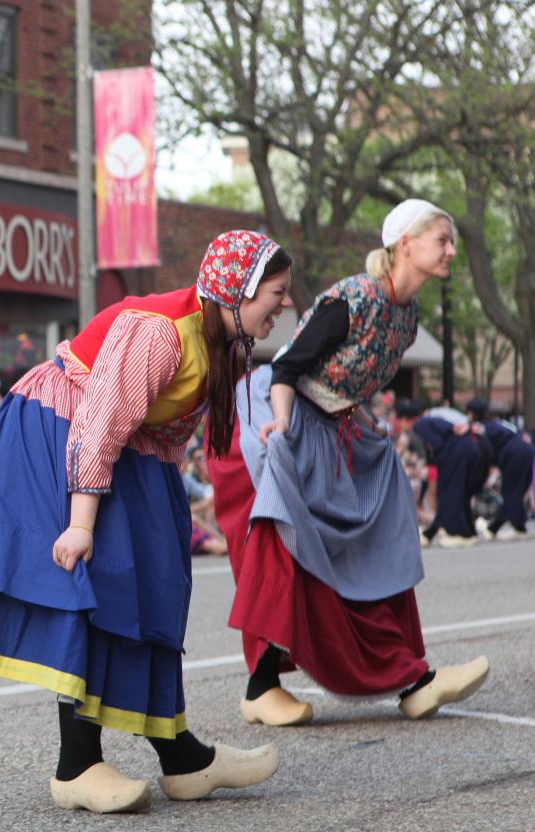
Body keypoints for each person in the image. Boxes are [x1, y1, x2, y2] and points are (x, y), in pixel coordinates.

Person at [0, 230, 290, 814]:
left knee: (161, 579)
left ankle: (179, 755)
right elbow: (100, 420)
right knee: (97, 578)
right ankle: (76, 764)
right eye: (277, 293)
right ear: (237, 291)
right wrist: (81, 524)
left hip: (137, 448)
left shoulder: (223, 341)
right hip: (61, 426)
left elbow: (162, 429)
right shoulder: (162, 333)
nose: (284, 304)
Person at [208, 199, 489, 729]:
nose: (452, 250)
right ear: (406, 244)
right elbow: (288, 365)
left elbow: (346, 385)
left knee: (372, 534)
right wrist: (283, 429)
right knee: (289, 547)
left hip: (330, 426)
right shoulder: (352, 299)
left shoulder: (407, 314)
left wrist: (362, 424)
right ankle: (261, 685)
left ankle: (411, 675)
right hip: (271, 418)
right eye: (442, 240)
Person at [410, 408, 490, 548]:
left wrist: (441, 449)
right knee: (459, 494)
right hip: (470, 450)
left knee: (450, 493)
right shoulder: (446, 420)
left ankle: (457, 532)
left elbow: (419, 428)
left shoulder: (426, 421)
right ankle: (463, 532)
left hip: (456, 452)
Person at [467, 398, 533, 540]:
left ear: (472, 414)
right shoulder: (497, 423)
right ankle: (519, 526)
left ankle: (494, 527)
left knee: (510, 491)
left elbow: (485, 453)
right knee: (517, 490)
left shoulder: (482, 428)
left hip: (514, 454)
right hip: (526, 450)